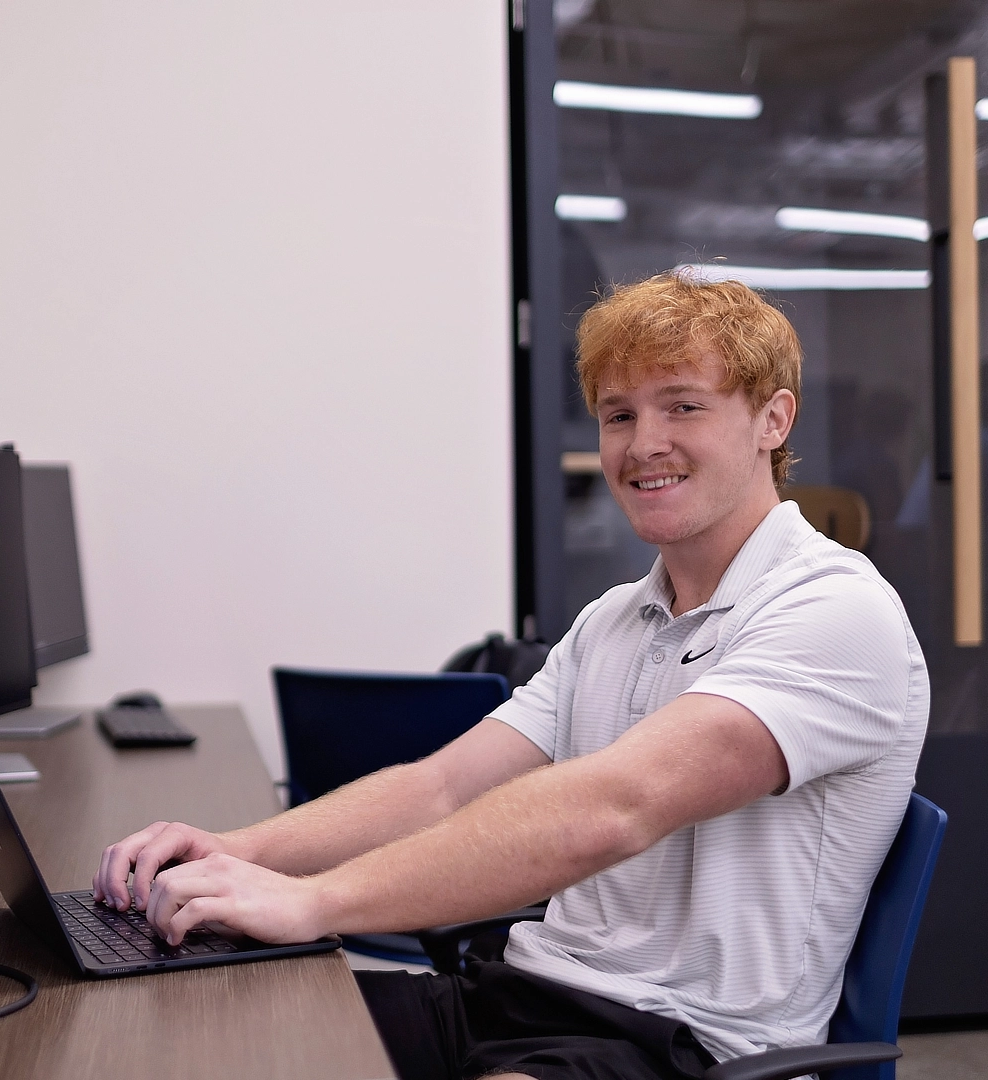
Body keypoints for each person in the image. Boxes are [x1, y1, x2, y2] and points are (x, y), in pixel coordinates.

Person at [94, 270, 929, 1080]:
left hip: (685, 1042)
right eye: (618, 414)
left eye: (684, 406)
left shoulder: (835, 613)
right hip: (523, 995)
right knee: (211, 1031)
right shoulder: (613, 620)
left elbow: (615, 809)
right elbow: (441, 790)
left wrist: (312, 904)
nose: (644, 445)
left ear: (772, 420)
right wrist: (239, 853)